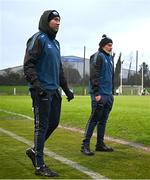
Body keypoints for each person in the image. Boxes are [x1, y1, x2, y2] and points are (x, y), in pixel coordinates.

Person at [23, 10, 74, 177]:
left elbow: (59, 70)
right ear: (46, 21)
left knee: (54, 122)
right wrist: (37, 86)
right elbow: (28, 65)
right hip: (41, 91)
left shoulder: (57, 44)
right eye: (54, 20)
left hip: (55, 91)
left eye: (59, 20)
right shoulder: (38, 39)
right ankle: (40, 166)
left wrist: (66, 90)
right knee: (42, 126)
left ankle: (34, 150)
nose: (58, 23)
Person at [81, 34, 114, 156]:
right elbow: (94, 75)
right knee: (94, 119)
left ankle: (100, 144)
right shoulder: (97, 56)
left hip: (108, 94)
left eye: (111, 45)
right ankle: (84, 145)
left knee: (103, 120)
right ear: (102, 46)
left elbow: (110, 76)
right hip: (99, 94)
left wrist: (111, 93)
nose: (111, 47)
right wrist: (96, 93)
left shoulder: (110, 58)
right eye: (108, 45)